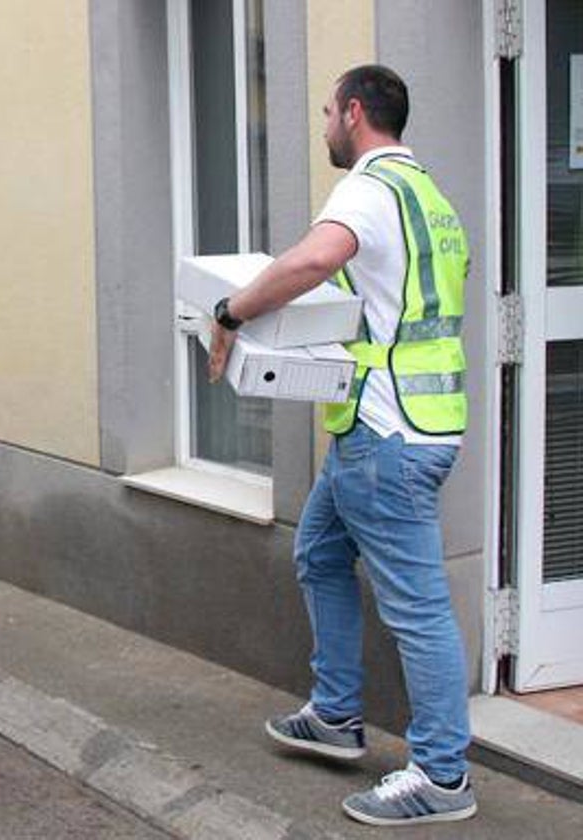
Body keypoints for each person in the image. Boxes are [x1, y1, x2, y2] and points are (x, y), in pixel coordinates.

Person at [207, 66, 475, 826]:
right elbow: (395, 304)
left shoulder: (368, 186)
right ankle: (335, 714)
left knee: (418, 608)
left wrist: (230, 311)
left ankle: (443, 775)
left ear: (355, 114)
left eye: (327, 111)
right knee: (319, 552)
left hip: (388, 438)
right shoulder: (431, 197)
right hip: (404, 425)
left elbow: (312, 262)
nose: (324, 122)